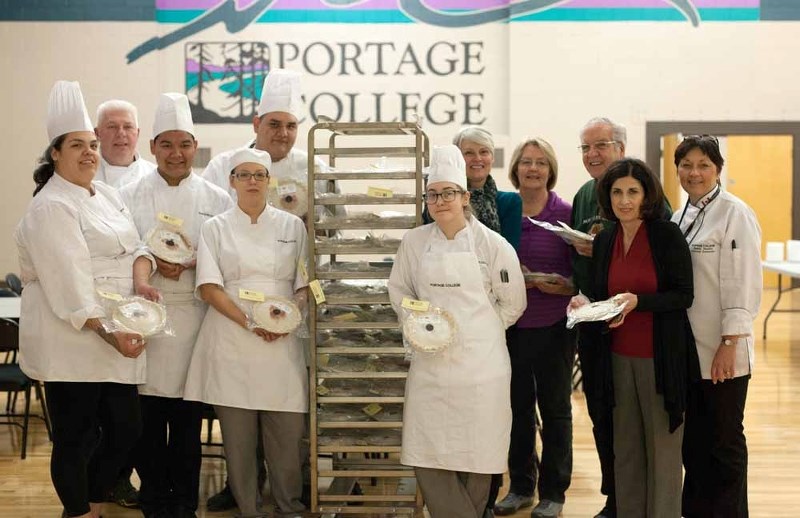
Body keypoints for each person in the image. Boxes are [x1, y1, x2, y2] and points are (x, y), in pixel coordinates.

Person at [15, 80, 151, 518]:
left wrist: (142, 281)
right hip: (72, 337)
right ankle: (78, 510)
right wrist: (109, 332)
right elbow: (69, 284)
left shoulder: (107, 195)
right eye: (78, 145)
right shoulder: (51, 206)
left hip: (113, 329)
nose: (91, 152)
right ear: (55, 153)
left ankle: (93, 497)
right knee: (75, 435)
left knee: (126, 429)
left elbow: (135, 247)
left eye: (93, 145)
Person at [388, 145, 527, 518]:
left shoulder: (493, 246)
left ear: (466, 197)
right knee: (426, 453)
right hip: (430, 366)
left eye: (448, 193)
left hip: (482, 370)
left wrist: (477, 333)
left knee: (480, 455)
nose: (440, 201)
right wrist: (421, 329)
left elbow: (514, 303)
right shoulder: (414, 243)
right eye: (433, 194)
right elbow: (399, 292)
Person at [120, 93, 233, 518]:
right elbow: (124, 247)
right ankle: (153, 499)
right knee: (147, 421)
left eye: (184, 144)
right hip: (145, 314)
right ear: (152, 147)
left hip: (195, 319)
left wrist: (193, 262)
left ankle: (184, 502)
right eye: (166, 144)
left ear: (194, 146)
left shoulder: (216, 198)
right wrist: (148, 267)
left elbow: (225, 255)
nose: (176, 153)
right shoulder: (128, 195)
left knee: (186, 424)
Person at [184, 148, 309, 518]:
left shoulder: (293, 227)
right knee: (238, 443)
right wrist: (251, 323)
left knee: (288, 438)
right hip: (232, 338)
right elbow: (209, 287)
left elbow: (303, 285)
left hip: (283, 342)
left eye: (259, 175)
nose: (252, 181)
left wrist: (287, 317)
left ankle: (289, 506)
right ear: (232, 181)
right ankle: (249, 509)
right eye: (244, 174)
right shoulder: (215, 227)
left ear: (269, 182)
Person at [570, 158, 695, 517]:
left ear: (646, 195)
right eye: (617, 192)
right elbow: (599, 291)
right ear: (607, 197)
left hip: (659, 359)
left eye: (632, 192)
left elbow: (683, 295)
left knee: (662, 451)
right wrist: (584, 301)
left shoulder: (665, 234)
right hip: (617, 358)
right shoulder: (607, 236)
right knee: (625, 449)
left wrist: (639, 302)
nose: (624, 200)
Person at [671, 135, 762, 518]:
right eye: (687, 165)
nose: (695, 173)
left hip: (723, 351)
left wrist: (730, 342)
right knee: (694, 444)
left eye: (704, 165)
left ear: (718, 170)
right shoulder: (680, 216)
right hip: (689, 350)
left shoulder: (734, 213)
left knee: (723, 444)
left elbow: (742, 282)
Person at [494, 138, 575, 518]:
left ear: (550, 169)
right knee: (516, 410)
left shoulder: (566, 212)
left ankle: (554, 492)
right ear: (515, 168)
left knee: (556, 411)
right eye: (526, 161)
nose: (533, 168)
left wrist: (565, 284)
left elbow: (581, 272)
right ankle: (521, 487)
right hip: (510, 327)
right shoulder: (504, 208)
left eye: (541, 162)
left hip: (555, 325)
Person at [570, 117, 627, 518]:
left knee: (634, 413)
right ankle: (614, 496)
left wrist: (603, 248)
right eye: (586, 147)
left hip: (633, 321)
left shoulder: (643, 189)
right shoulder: (584, 194)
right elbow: (577, 254)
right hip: (592, 322)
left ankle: (641, 492)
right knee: (601, 412)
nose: (592, 154)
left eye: (601, 145)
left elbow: (661, 251)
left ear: (620, 149)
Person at [94, 99, 155, 188]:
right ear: (97, 133)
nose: (121, 133)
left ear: (137, 133)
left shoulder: (154, 176)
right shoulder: (83, 176)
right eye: (112, 127)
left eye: (128, 127)